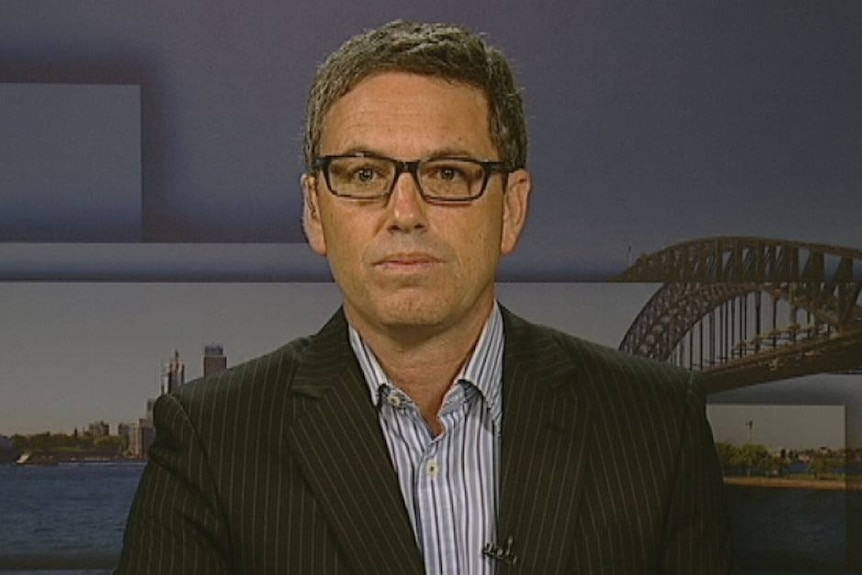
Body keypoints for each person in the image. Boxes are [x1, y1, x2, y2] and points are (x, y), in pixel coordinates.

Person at [116, 20, 733, 574]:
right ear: (314, 212)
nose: (404, 212)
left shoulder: (655, 421)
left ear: (512, 210)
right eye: (363, 175)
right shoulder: (212, 437)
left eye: (447, 174)